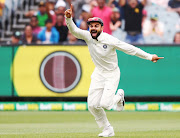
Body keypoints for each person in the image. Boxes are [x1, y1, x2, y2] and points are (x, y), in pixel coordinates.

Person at [65, 5, 164, 137]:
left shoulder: (110, 40)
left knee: (105, 104)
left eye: (96, 26)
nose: (93, 28)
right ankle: (107, 129)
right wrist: (69, 19)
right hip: (99, 73)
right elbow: (75, 31)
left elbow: (130, 49)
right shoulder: (88, 36)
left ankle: (119, 97)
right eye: (91, 26)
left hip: (112, 74)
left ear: (101, 27)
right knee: (92, 106)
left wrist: (149, 56)